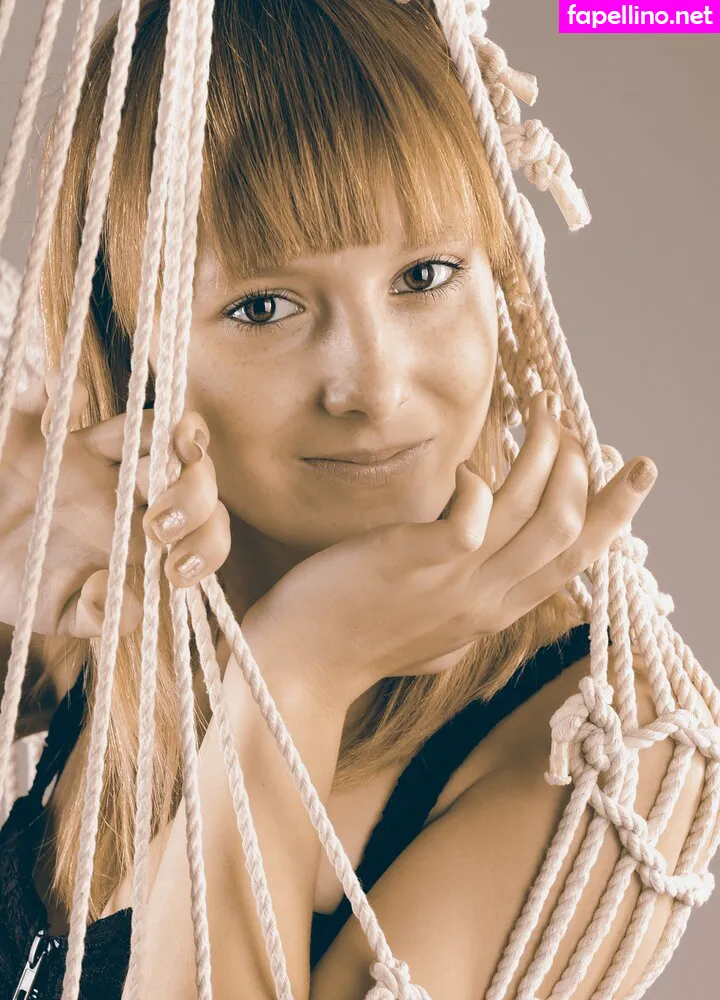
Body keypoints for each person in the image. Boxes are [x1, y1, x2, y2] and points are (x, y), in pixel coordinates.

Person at [0, 0, 711, 997]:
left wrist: (300, 670)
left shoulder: (596, 744)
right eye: (265, 306)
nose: (373, 385)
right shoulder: (103, 606)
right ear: (135, 339)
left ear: (504, 282)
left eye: (426, 275)